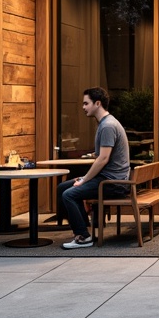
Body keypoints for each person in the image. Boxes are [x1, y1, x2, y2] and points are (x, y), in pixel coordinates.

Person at [57, 87, 131, 249]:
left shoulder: (107, 126)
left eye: (86, 103)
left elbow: (103, 159)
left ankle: (83, 237)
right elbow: (103, 157)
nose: (83, 107)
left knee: (69, 195)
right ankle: (82, 228)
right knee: (62, 187)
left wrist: (83, 180)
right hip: (110, 179)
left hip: (113, 183)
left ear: (97, 103)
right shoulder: (106, 123)